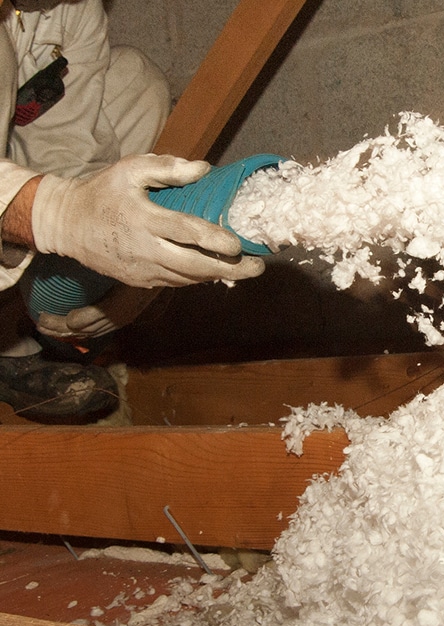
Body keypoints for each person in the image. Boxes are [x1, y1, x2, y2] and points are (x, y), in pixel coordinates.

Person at [0, 0, 265, 421]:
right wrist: (59, 214)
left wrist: (126, 273)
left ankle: (44, 334)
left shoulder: (72, 8)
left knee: (133, 82)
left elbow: (68, 150)